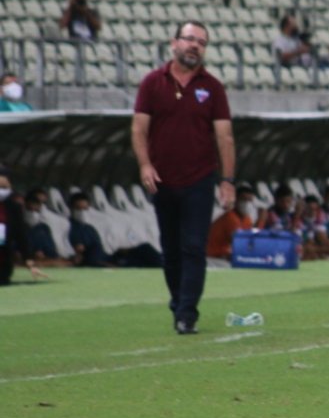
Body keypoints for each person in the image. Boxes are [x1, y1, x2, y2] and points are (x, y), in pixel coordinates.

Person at [131, 20, 236, 334]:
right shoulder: (152, 83)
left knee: (193, 247)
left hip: (199, 179)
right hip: (162, 180)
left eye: (201, 42)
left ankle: (187, 314)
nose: (195, 46)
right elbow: (139, 129)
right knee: (171, 249)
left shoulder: (212, 87)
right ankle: (178, 302)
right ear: (174, 42)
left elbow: (225, 137)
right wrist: (145, 165)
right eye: (190, 39)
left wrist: (227, 180)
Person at [67, 192, 161, 268]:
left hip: (108, 257)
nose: (83, 213)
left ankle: (164, 261)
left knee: (144, 247)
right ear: (71, 208)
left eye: (85, 209)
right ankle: (163, 263)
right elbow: (81, 255)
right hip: (104, 262)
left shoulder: (88, 227)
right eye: (78, 209)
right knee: (141, 259)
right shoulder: (73, 228)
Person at [0, 167, 49, 285]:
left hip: (3, 261)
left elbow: (21, 235)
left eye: (4, 187)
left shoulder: (13, 207)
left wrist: (29, 262)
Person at [207, 184, 257, 260]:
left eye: (250, 200)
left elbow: (251, 240)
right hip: (213, 256)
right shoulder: (230, 217)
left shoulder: (247, 219)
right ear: (236, 200)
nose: (247, 203)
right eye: (244, 199)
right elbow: (240, 245)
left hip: (224, 255)